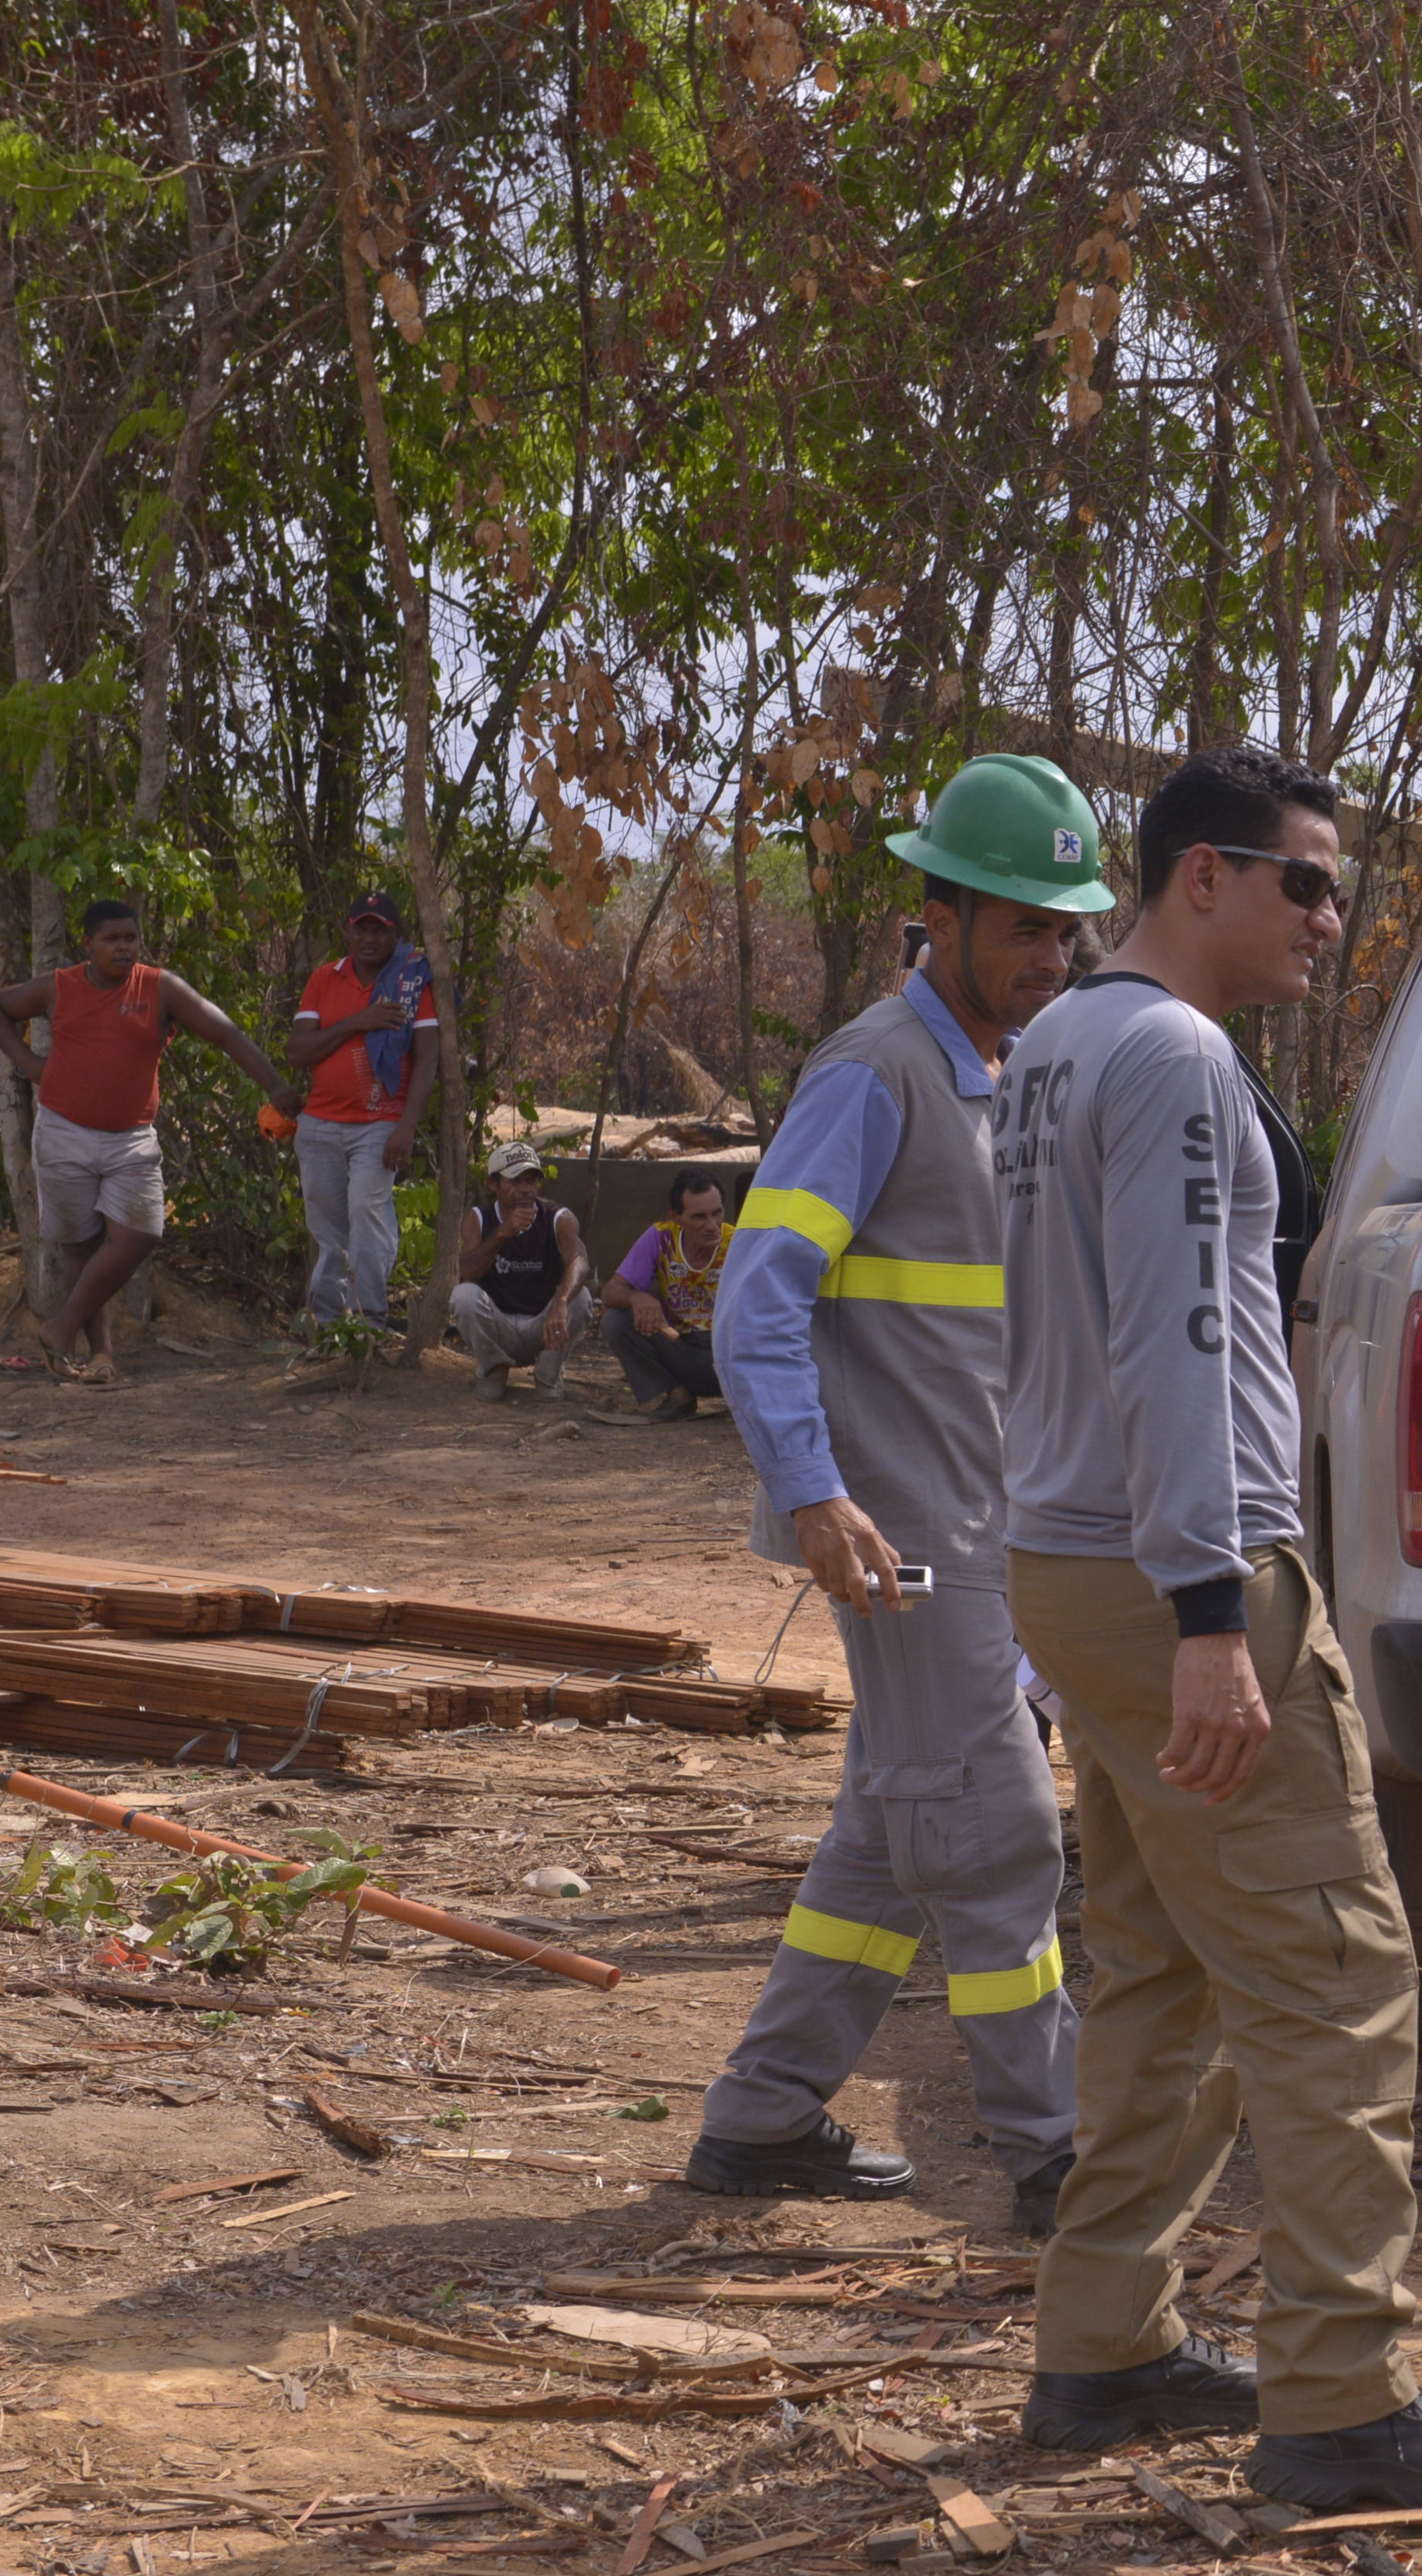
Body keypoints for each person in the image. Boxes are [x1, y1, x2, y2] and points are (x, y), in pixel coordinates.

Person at [1001, 743, 1422, 2514]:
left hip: (1073, 1557)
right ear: (1199, 879)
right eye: (1304, 879)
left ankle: (1104, 2340)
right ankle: (1340, 2393)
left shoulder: (1062, 1041)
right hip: (1173, 1566)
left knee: (1164, 1958)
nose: (1334, 913)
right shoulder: (1165, 1053)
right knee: (1333, 1971)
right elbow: (1177, 1340)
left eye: (1340, 882)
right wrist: (1206, 1613)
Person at [688, 756, 1098, 2237]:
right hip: (898, 1538)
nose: (1048, 959)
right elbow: (756, 1298)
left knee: (889, 1832)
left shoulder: (1006, 1079)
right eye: (1020, 929)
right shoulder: (876, 1074)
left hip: (976, 1527)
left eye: (1065, 932)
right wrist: (812, 1494)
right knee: (995, 1835)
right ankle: (1055, 2159)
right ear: (939, 917)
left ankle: (762, 2120)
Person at [0, 900, 302, 1380]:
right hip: (65, 1131)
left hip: (131, 1136)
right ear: (87, 944)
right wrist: (29, 1065)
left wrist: (275, 1085)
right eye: (112, 939)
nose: (124, 947)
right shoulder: (60, 988)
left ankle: (60, 1328)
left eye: (131, 937)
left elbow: (225, 1033)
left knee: (140, 1233)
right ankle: (100, 1354)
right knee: (80, 1248)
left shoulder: (159, 987)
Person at [283, 890, 441, 1337]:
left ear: (396, 934)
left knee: (368, 1214)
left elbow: (428, 1058)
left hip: (379, 1124)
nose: (369, 938)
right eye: (362, 928)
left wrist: (406, 1127)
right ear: (348, 931)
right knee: (329, 1230)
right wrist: (358, 1021)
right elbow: (297, 1051)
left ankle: (370, 1322)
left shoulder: (412, 981)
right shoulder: (325, 978)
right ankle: (333, 1328)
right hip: (319, 1125)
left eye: (380, 929)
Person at [448, 1143, 590, 1401]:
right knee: (463, 1296)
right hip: (498, 1324)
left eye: (532, 1181)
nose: (525, 1189)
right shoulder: (478, 1218)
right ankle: (494, 1369)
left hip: (544, 1325)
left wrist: (560, 1300)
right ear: (494, 1184)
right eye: (515, 1181)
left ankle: (549, 1373)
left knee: (581, 1298)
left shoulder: (557, 1217)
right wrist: (501, 1234)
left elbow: (579, 1259)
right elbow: (466, 1274)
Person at [602, 1171, 730, 1419]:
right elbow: (610, 1291)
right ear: (675, 1217)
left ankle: (752, 1402)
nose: (712, 1225)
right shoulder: (660, 1237)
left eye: (717, 1213)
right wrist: (637, 1298)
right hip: (680, 1348)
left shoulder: (738, 1243)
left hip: (729, 1355)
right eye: (699, 1217)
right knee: (614, 1320)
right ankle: (678, 1395)